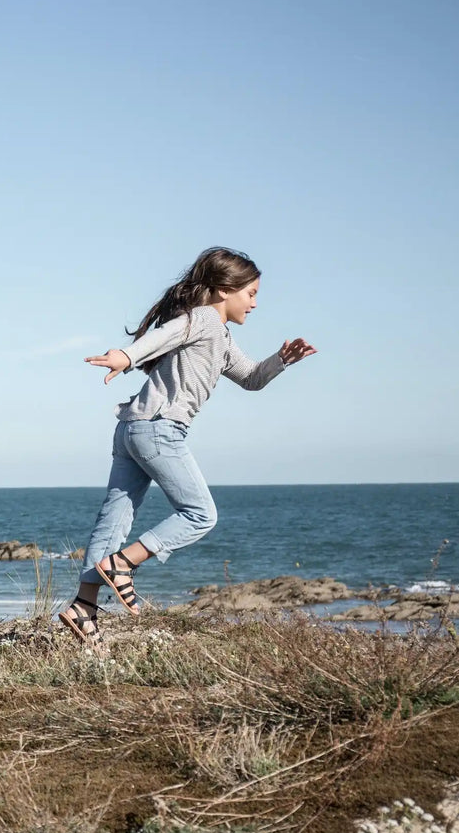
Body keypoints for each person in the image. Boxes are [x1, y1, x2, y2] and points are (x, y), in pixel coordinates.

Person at [59, 246, 316, 643]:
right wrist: (125, 357)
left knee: (113, 521)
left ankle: (84, 606)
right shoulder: (202, 319)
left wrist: (281, 361)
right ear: (223, 290)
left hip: (133, 429)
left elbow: (250, 378)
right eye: (251, 293)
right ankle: (124, 564)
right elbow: (165, 334)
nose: (255, 303)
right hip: (159, 430)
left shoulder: (222, 338)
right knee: (200, 514)